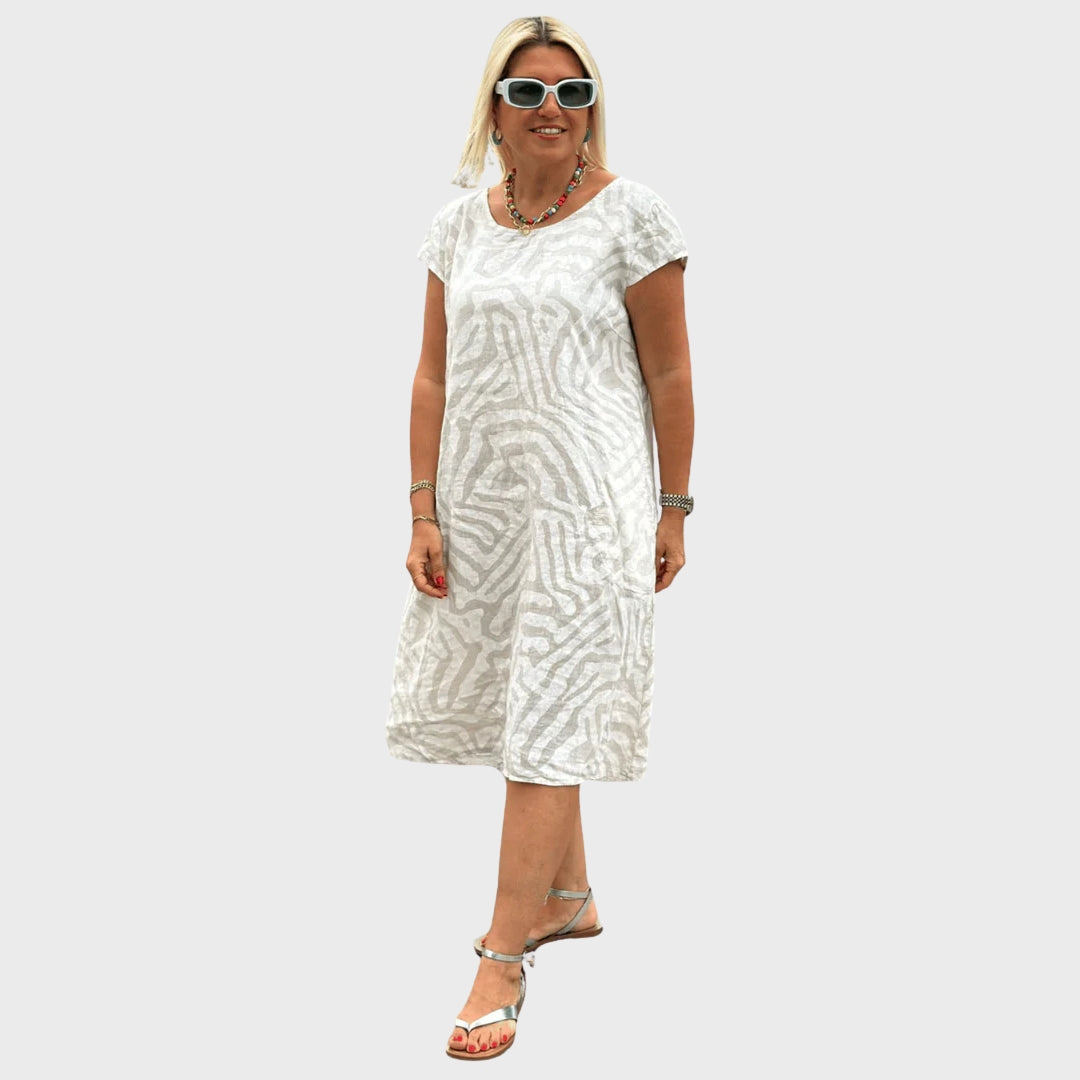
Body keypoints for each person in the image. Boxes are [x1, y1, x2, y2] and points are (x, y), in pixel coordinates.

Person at [385, 15, 695, 1061]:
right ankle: (567, 895)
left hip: (590, 513)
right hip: (486, 510)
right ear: (495, 110)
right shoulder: (456, 228)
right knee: (515, 706)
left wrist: (675, 505)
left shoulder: (632, 217)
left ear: (594, 109)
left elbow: (670, 373)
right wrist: (422, 509)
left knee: (551, 715)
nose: (553, 107)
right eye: (528, 91)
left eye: (573, 90)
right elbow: (431, 375)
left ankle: (501, 955)